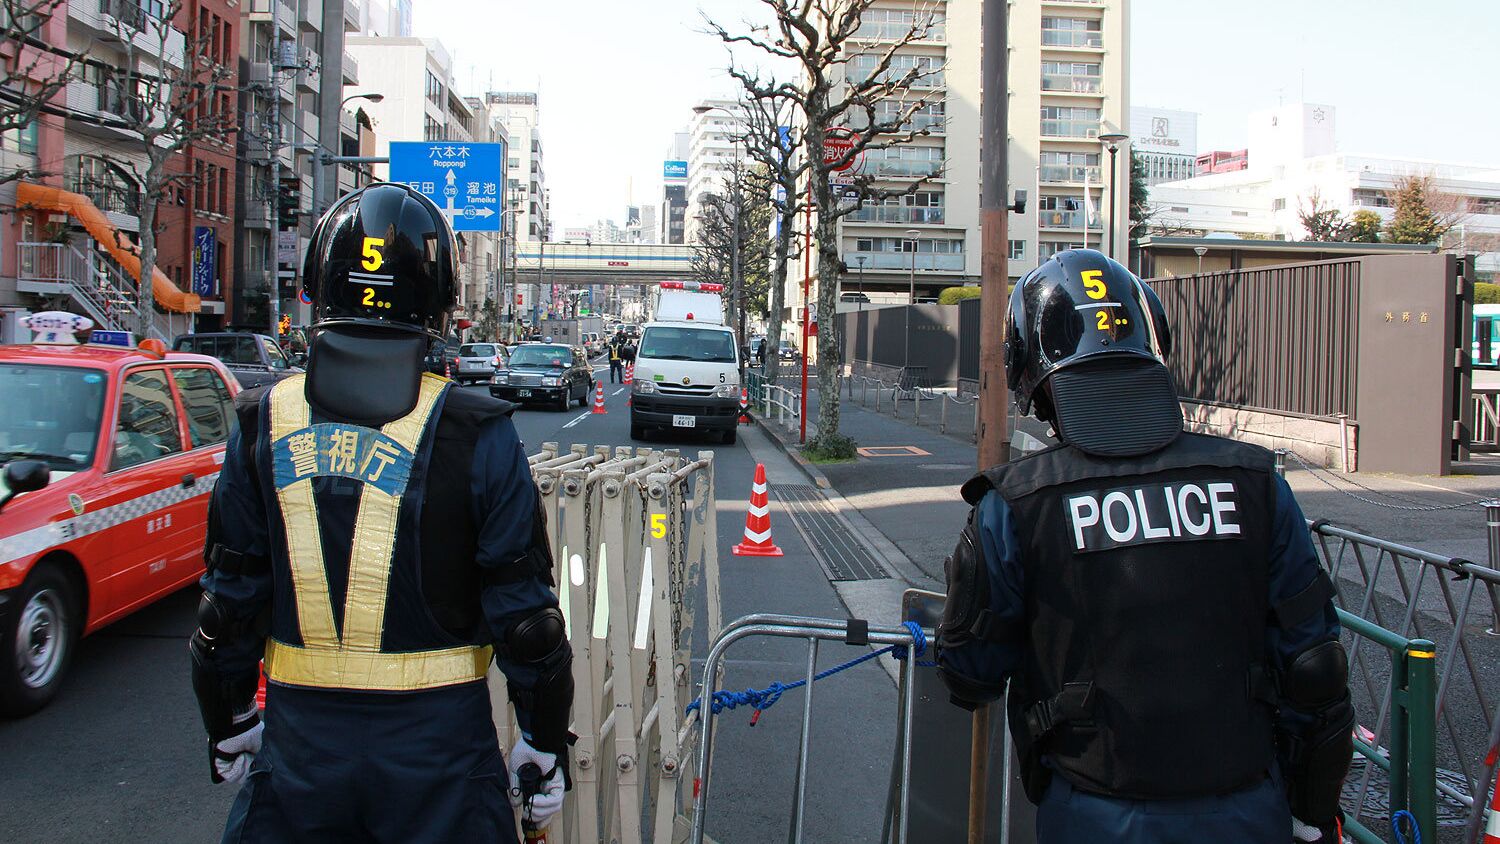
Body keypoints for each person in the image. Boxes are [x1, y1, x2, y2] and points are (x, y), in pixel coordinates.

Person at [190, 183, 573, 842]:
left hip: (299, 752)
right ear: (439, 297)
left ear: (319, 283)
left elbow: (226, 605)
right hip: (442, 757)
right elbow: (526, 618)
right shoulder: (478, 431)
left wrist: (229, 720)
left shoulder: (263, 422)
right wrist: (542, 742)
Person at [937, 249, 1351, 844]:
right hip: (1247, 804)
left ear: (1031, 367)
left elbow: (970, 672)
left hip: (1097, 810)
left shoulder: (1017, 505)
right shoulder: (1256, 483)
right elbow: (1316, 664)